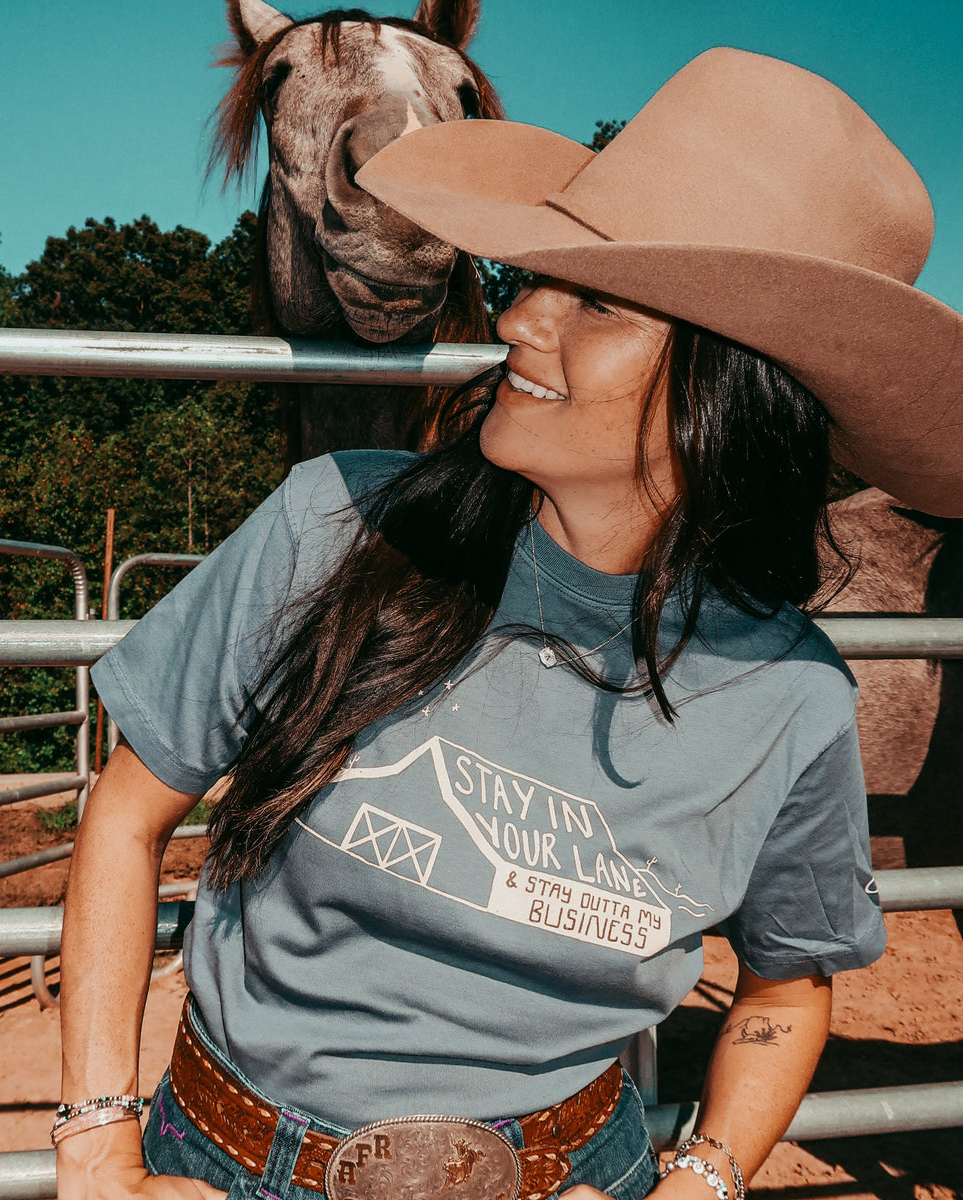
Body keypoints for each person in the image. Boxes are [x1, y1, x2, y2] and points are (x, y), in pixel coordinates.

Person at [54, 48, 963, 1200]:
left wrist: (700, 1183)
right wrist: (97, 1146)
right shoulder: (334, 525)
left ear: (730, 389)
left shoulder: (793, 697)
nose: (521, 319)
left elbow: (786, 986)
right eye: (538, 278)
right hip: (227, 1160)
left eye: (595, 301)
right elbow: (127, 813)